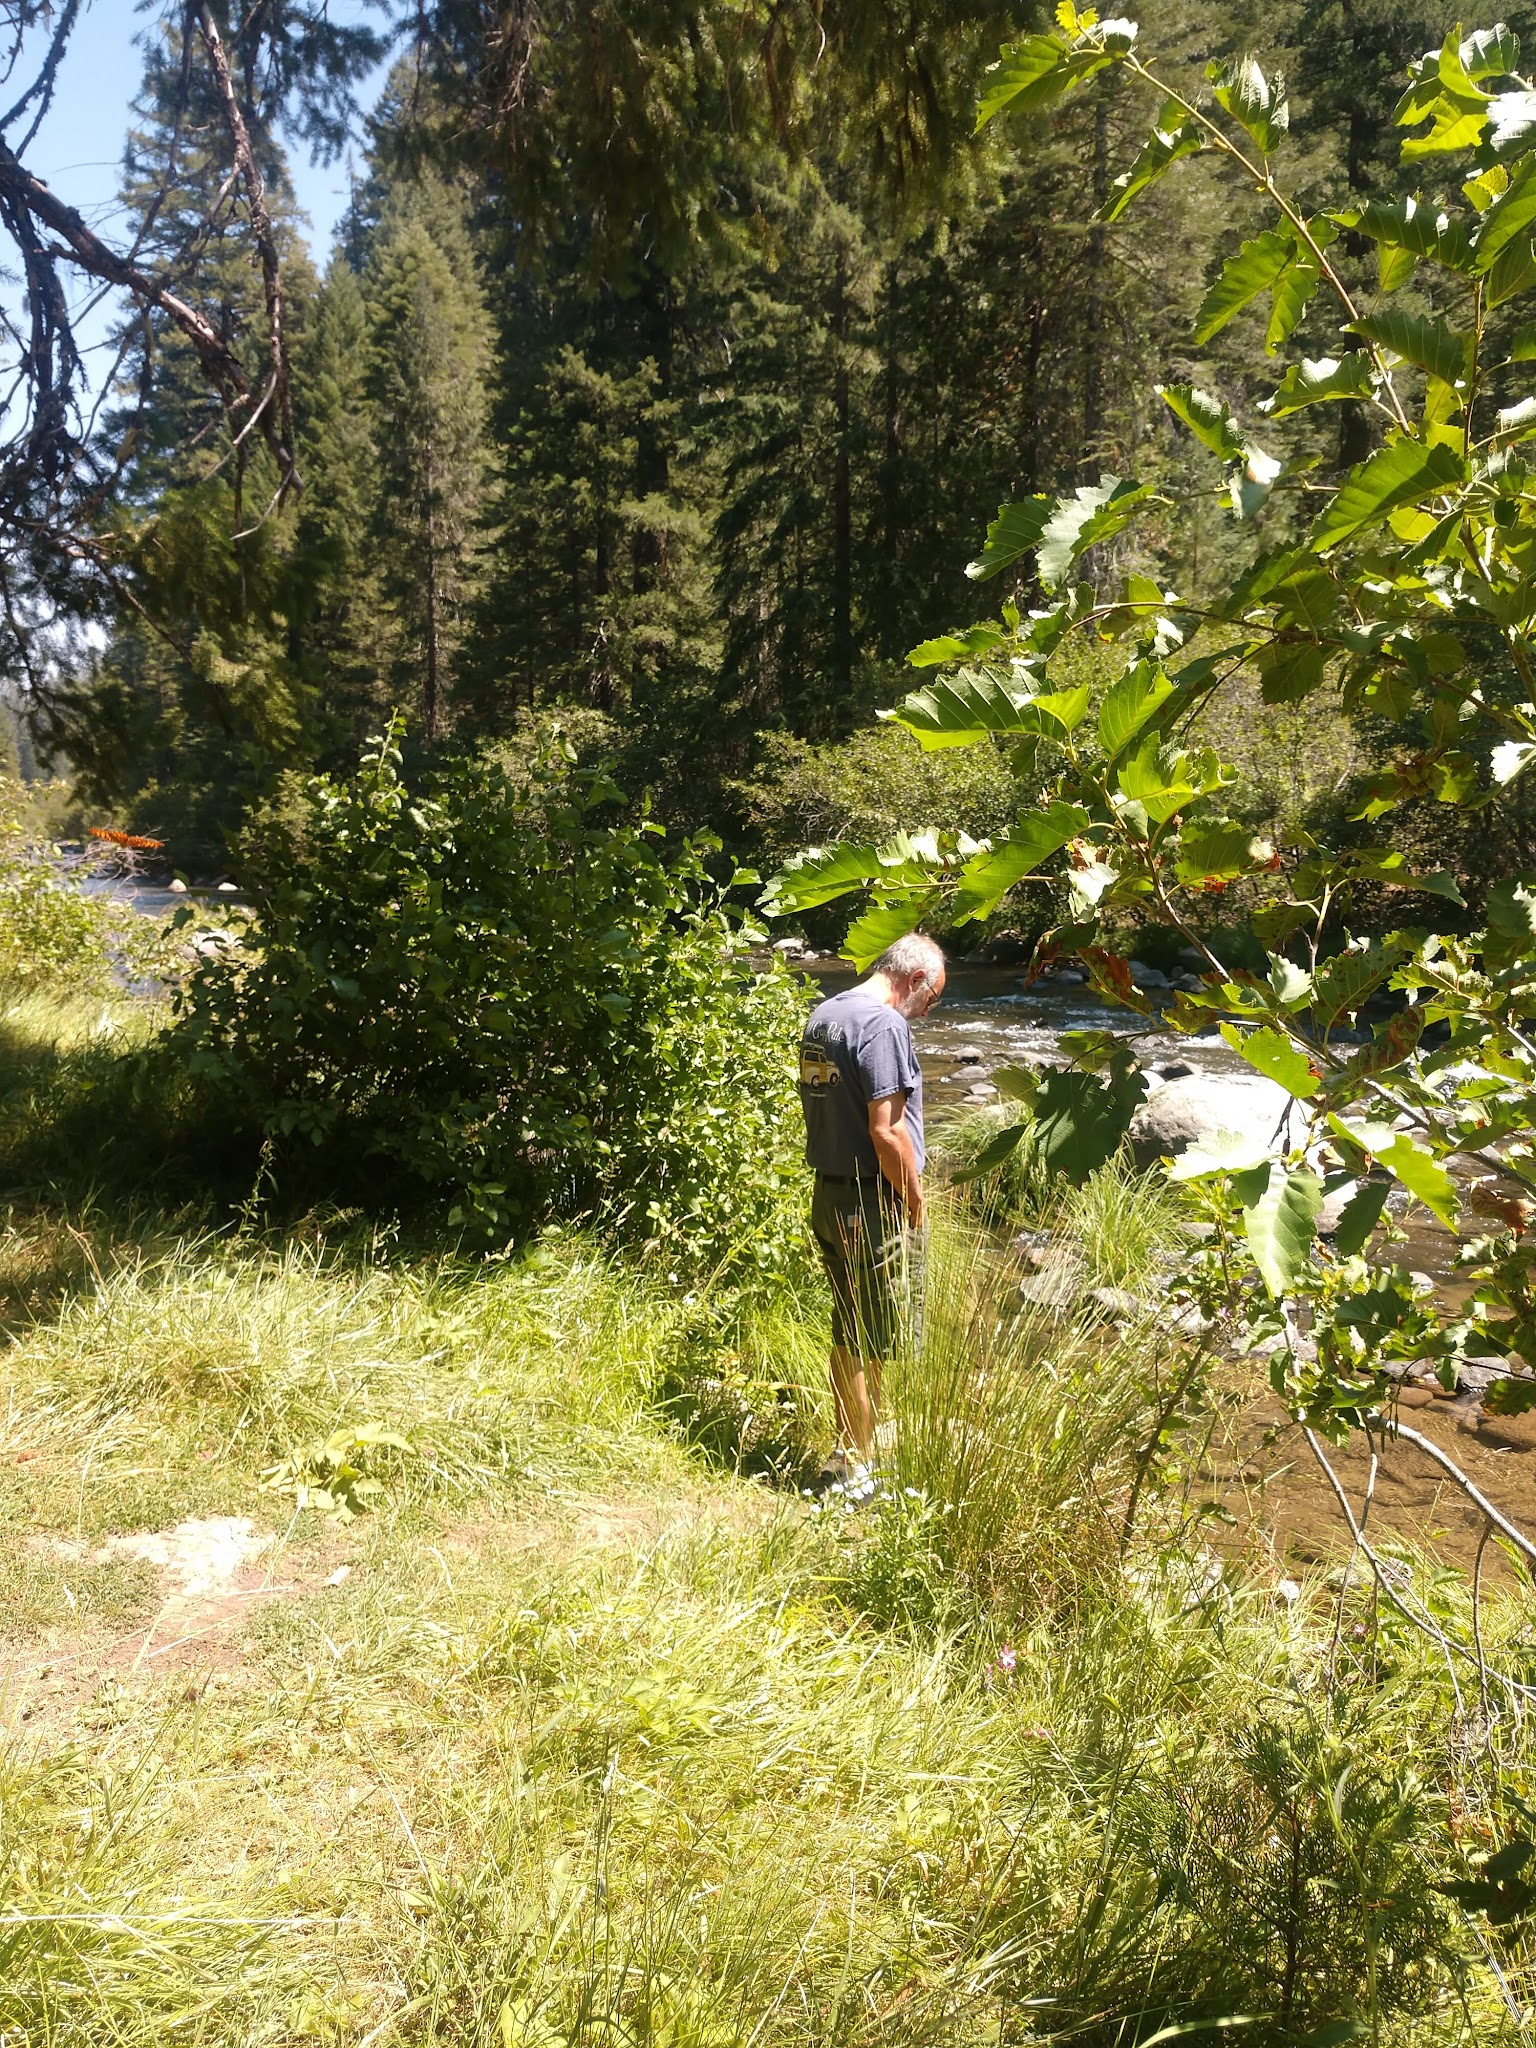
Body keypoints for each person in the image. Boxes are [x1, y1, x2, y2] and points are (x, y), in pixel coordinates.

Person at [797, 932, 945, 1492]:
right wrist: (913, 1197)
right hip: (869, 1200)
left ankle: (846, 1456)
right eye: (931, 1001)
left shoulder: (826, 1015)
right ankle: (858, 1466)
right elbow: (886, 1133)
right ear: (913, 980)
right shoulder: (884, 1025)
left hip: (830, 1193)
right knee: (873, 1335)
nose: (926, 1013)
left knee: (848, 1328)